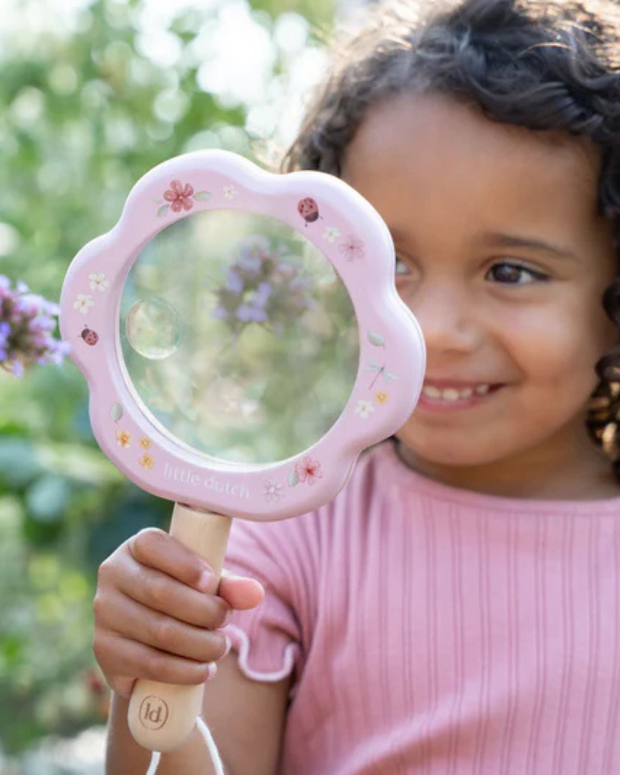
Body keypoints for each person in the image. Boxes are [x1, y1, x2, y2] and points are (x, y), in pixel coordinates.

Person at [93, 0, 620, 772]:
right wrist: (150, 684)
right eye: (391, 264)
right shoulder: (281, 535)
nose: (432, 327)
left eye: (511, 271)